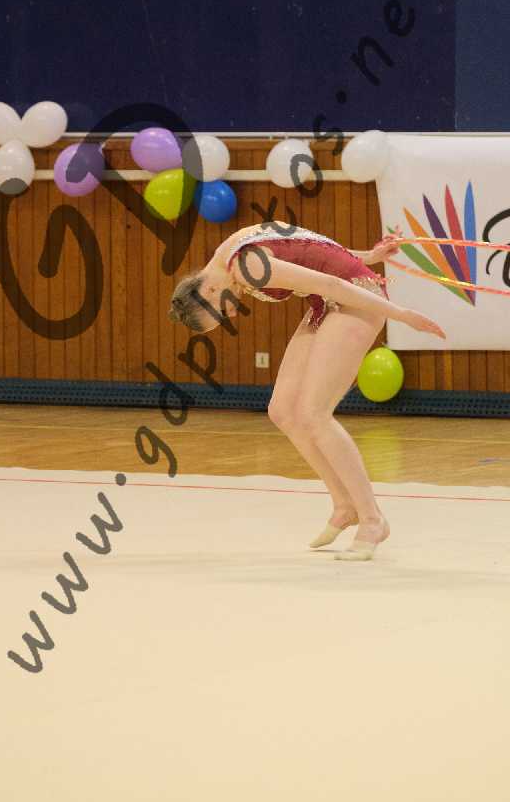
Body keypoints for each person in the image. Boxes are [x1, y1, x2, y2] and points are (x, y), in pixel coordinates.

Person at [168, 222, 446, 559]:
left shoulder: (245, 265)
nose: (231, 314)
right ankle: (344, 505)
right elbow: (310, 245)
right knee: (283, 411)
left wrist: (400, 314)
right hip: (329, 302)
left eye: (222, 313)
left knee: (315, 415)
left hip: (355, 297)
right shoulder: (226, 257)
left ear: (209, 290)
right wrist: (368, 256)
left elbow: (330, 281)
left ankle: (372, 519)